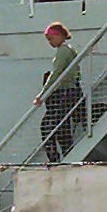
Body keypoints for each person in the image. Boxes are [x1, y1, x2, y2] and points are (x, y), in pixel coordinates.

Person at [33, 22, 82, 163]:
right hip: (71, 92)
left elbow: (56, 74)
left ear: (60, 36)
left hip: (65, 93)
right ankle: (68, 155)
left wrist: (42, 94)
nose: (50, 42)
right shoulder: (69, 49)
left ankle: (54, 159)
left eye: (51, 39)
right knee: (62, 128)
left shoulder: (63, 51)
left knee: (47, 127)